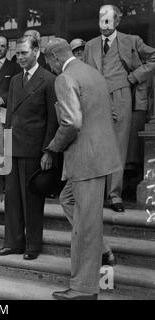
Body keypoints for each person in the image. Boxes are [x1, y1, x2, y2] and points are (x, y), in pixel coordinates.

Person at [44, 38, 122, 300]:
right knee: (67, 200)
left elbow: (71, 122)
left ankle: (83, 289)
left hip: (85, 161)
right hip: (99, 157)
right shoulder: (93, 73)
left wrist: (52, 148)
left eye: (48, 62)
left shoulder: (64, 79)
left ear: (55, 57)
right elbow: (109, 115)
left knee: (86, 226)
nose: (50, 67)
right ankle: (101, 250)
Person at [0, 36, 58, 260]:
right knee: (11, 199)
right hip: (13, 148)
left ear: (36, 52)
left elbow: (53, 119)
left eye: (24, 53)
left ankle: (32, 246)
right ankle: (13, 243)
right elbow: (9, 116)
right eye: (17, 54)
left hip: (34, 150)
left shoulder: (49, 79)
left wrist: (48, 151)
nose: (19, 58)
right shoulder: (15, 81)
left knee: (31, 200)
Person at [83, 4, 155, 212]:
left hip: (120, 97)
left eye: (108, 20)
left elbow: (153, 58)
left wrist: (134, 77)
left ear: (117, 21)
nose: (104, 24)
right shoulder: (90, 45)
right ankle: (96, 194)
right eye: (101, 19)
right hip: (95, 98)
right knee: (95, 145)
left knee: (117, 147)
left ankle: (114, 195)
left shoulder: (131, 41)